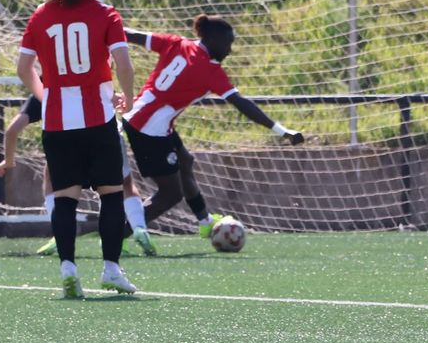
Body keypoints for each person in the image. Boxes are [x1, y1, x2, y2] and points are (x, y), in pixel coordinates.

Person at [16, 0, 138, 298]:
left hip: (57, 122)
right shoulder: (106, 14)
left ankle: (68, 268)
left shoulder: (40, 16)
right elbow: (125, 65)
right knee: (111, 194)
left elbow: (24, 68)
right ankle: (111, 269)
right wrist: (126, 98)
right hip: (98, 117)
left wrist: (45, 96)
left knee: (65, 197)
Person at [122, 14, 303, 238]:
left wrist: (101, 30)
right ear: (214, 39)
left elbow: (132, 35)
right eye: (228, 43)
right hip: (149, 129)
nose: (229, 50)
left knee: (186, 161)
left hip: (144, 118)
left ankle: (205, 221)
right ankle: (118, 233)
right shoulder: (210, 70)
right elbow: (242, 104)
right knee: (171, 194)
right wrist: (282, 131)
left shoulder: (177, 43)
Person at [0, 94, 155, 257]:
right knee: (120, 185)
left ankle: (60, 236)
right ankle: (137, 229)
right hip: (105, 135)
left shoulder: (47, 88)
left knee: (54, 181)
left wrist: (8, 160)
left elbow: (12, 130)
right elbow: (116, 95)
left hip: (66, 139)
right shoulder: (94, 73)